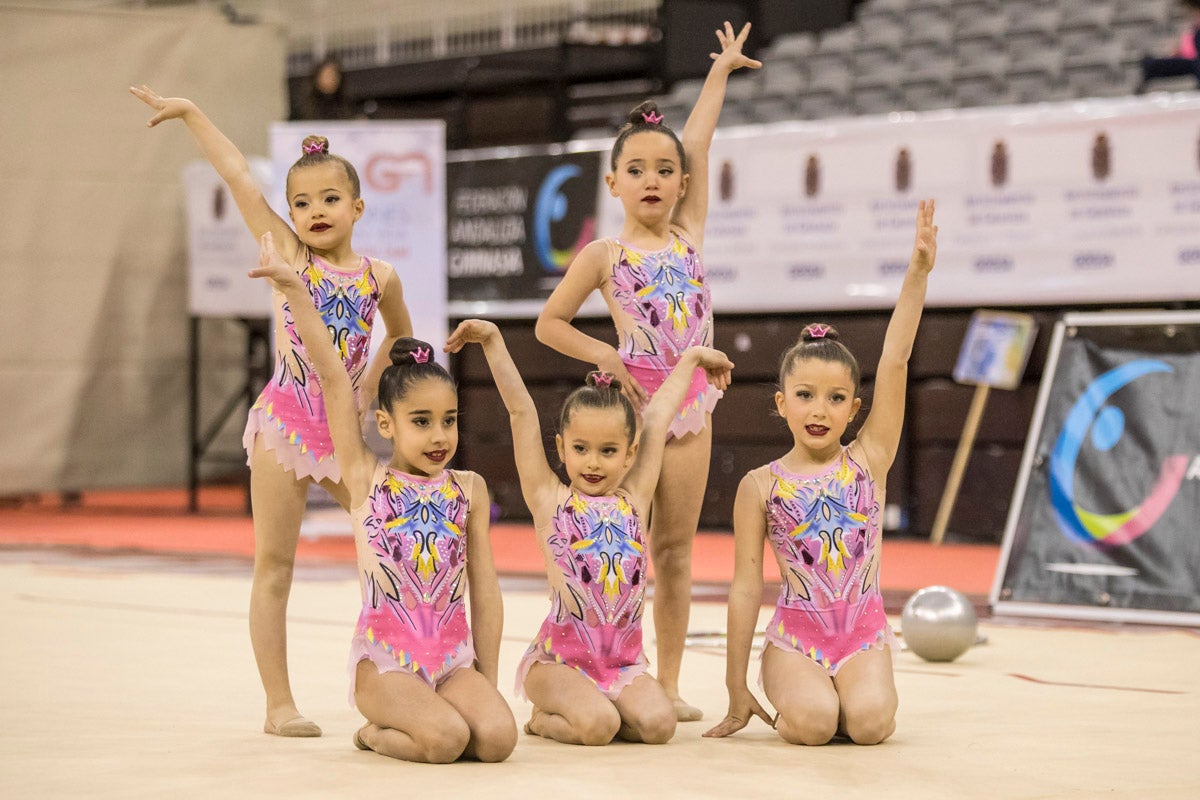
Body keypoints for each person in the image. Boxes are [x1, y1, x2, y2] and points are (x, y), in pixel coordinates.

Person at [130, 86, 412, 737]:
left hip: (342, 434)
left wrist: (370, 379)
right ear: (287, 213)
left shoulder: (380, 275)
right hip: (285, 426)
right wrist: (195, 113)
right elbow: (235, 174)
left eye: (330, 199)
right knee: (274, 565)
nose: (315, 211)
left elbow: (400, 332)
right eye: (301, 203)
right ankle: (278, 703)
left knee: (388, 552)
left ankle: (401, 674)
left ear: (358, 207)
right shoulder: (287, 254)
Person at [534, 21, 761, 722]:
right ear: (614, 182)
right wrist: (604, 354)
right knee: (619, 549)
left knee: (674, 548)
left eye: (664, 171)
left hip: (691, 411)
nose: (653, 180)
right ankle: (597, 661)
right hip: (635, 420)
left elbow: (700, 141)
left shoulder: (689, 234)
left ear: (682, 184)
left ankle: (666, 680)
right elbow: (550, 323)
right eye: (637, 170)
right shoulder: (605, 255)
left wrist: (718, 74)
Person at [251, 234, 516, 762]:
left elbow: (485, 592)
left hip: (453, 661)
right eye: (421, 422)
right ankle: (375, 731)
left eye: (449, 420)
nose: (439, 436)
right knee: (446, 741)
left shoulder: (469, 490)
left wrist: (484, 677)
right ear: (386, 424)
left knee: (498, 740)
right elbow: (330, 374)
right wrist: (295, 292)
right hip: (387, 663)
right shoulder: (364, 478)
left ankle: (438, 707)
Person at [704, 200, 938, 746]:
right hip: (796, 641)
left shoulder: (868, 459)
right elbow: (744, 589)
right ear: (782, 403)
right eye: (805, 396)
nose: (819, 410)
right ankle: (800, 692)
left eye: (835, 399)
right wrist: (736, 684)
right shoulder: (759, 486)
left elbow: (896, 360)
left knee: (871, 725)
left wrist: (917, 276)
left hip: (861, 637)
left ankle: (849, 690)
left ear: (854, 410)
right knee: (812, 725)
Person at [444, 319, 733, 745]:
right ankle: (545, 716)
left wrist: (690, 359)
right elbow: (521, 410)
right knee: (599, 727)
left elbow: (656, 415)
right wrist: (493, 343)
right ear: (561, 448)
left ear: (631, 453)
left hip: (621, 665)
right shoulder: (549, 499)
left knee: (659, 726)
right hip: (559, 663)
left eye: (608, 451)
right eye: (580, 449)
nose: (593, 463)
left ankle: (601, 706)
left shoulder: (635, 498)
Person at [1139, 1, 1200, 90]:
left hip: (1193, 61)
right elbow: (1189, 50)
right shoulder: (1193, 31)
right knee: (1150, 63)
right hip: (1192, 60)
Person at [293, 55, 356, 120]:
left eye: (334, 75)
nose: (332, 79)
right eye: (327, 75)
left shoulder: (347, 103)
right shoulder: (305, 106)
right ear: (317, 78)